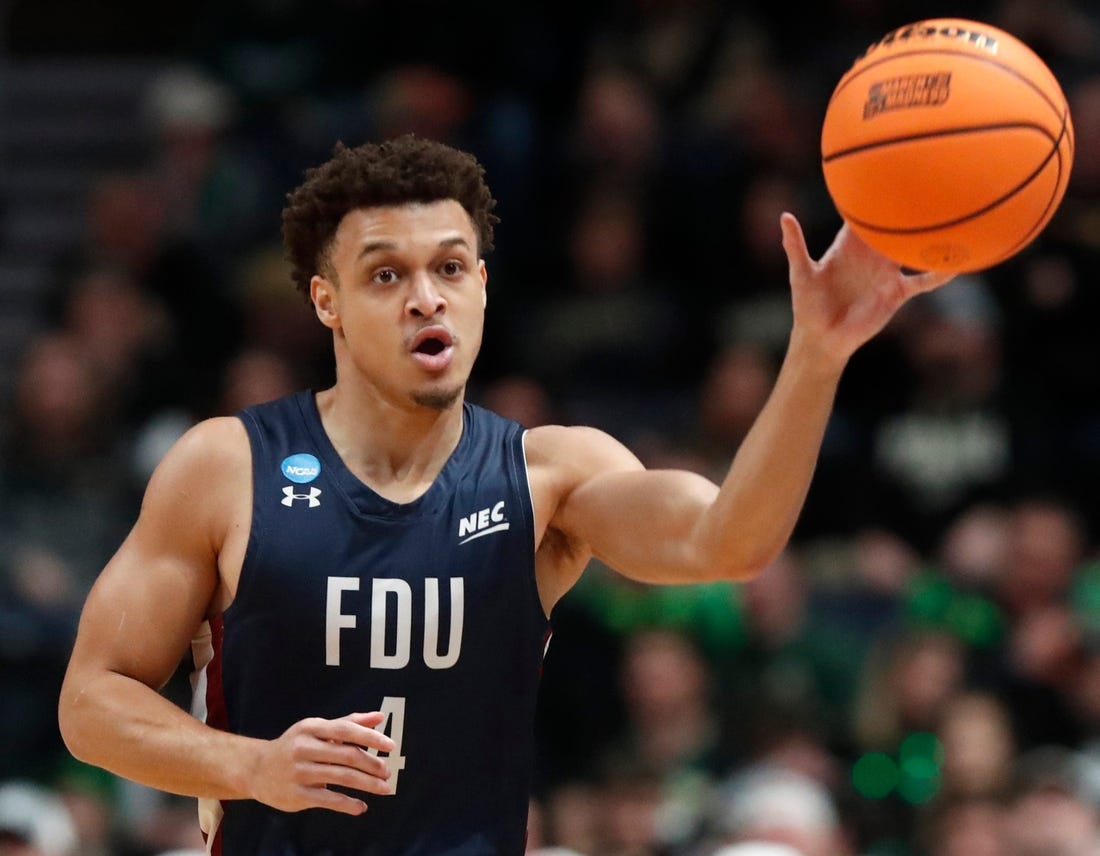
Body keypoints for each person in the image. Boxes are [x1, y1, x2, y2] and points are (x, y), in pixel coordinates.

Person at [57, 133, 953, 855]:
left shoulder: (549, 476)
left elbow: (728, 542)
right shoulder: (228, 465)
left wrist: (817, 354)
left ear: (482, 286)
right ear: (326, 302)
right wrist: (252, 767)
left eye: (450, 268)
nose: (425, 299)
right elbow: (91, 702)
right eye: (385, 274)